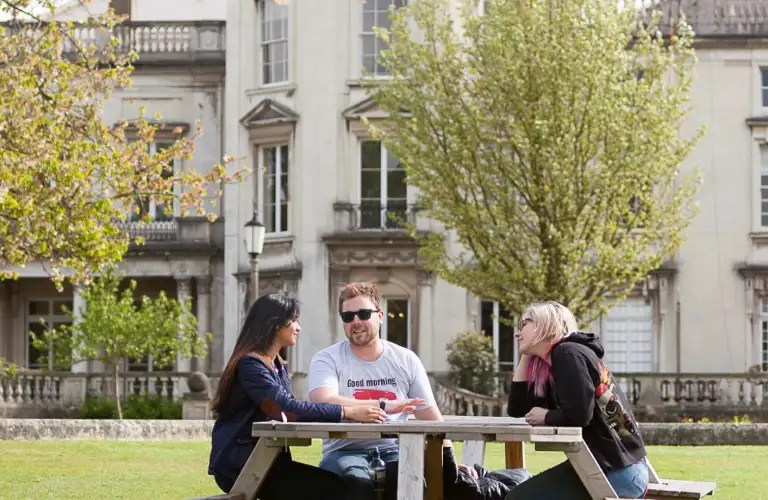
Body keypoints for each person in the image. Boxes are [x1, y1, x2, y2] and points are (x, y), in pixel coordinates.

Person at [208, 293, 388, 500]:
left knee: (343, 485)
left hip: (268, 460)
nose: (298, 327)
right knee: (336, 488)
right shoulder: (251, 364)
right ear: (275, 324)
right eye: (294, 320)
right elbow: (286, 409)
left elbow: (287, 411)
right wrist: (347, 412)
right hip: (242, 464)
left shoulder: (276, 364)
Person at [308, 281, 475, 498]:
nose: (356, 322)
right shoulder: (327, 359)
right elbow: (323, 400)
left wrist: (451, 464)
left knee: (411, 479)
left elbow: (431, 419)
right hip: (342, 450)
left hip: (394, 450)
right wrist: (382, 406)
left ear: (380, 315)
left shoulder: (405, 360)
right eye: (348, 317)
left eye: (363, 314)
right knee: (357, 482)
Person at [504, 301, 650, 499]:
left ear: (546, 325)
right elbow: (517, 409)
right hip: (612, 466)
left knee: (518, 498)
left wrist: (547, 416)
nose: (517, 332)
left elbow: (580, 415)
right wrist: (526, 355)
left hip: (617, 472)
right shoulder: (557, 361)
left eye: (524, 324)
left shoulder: (568, 354)